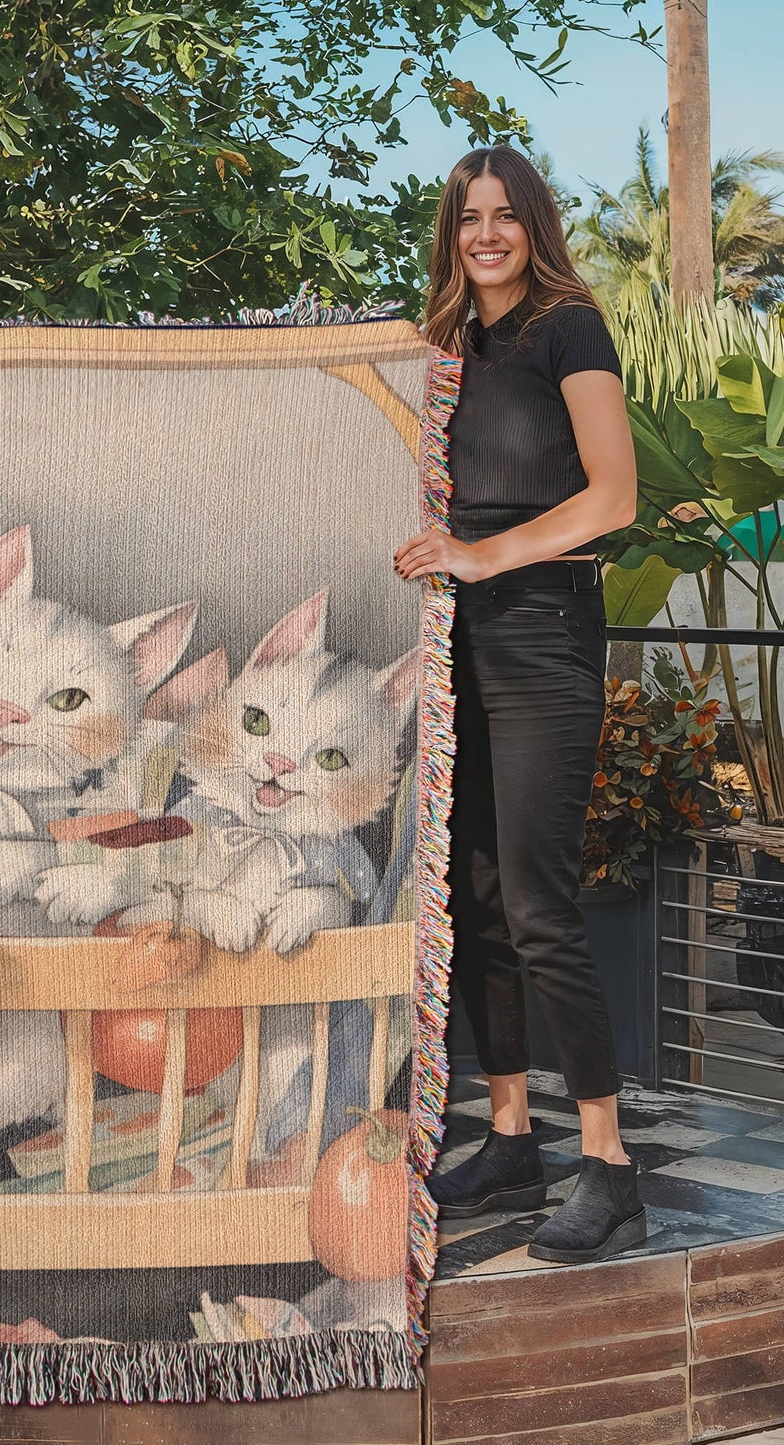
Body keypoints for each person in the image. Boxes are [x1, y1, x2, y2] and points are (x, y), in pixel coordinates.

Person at [393, 146, 642, 1264]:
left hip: (541, 628)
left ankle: (607, 1164)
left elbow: (614, 494)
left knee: (538, 900)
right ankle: (507, 1136)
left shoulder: (566, 324)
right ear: (448, 234)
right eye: (466, 218)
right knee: (477, 897)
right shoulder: (451, 345)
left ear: (532, 222)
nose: (483, 234)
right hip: (457, 633)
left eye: (503, 215)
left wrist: (484, 556)